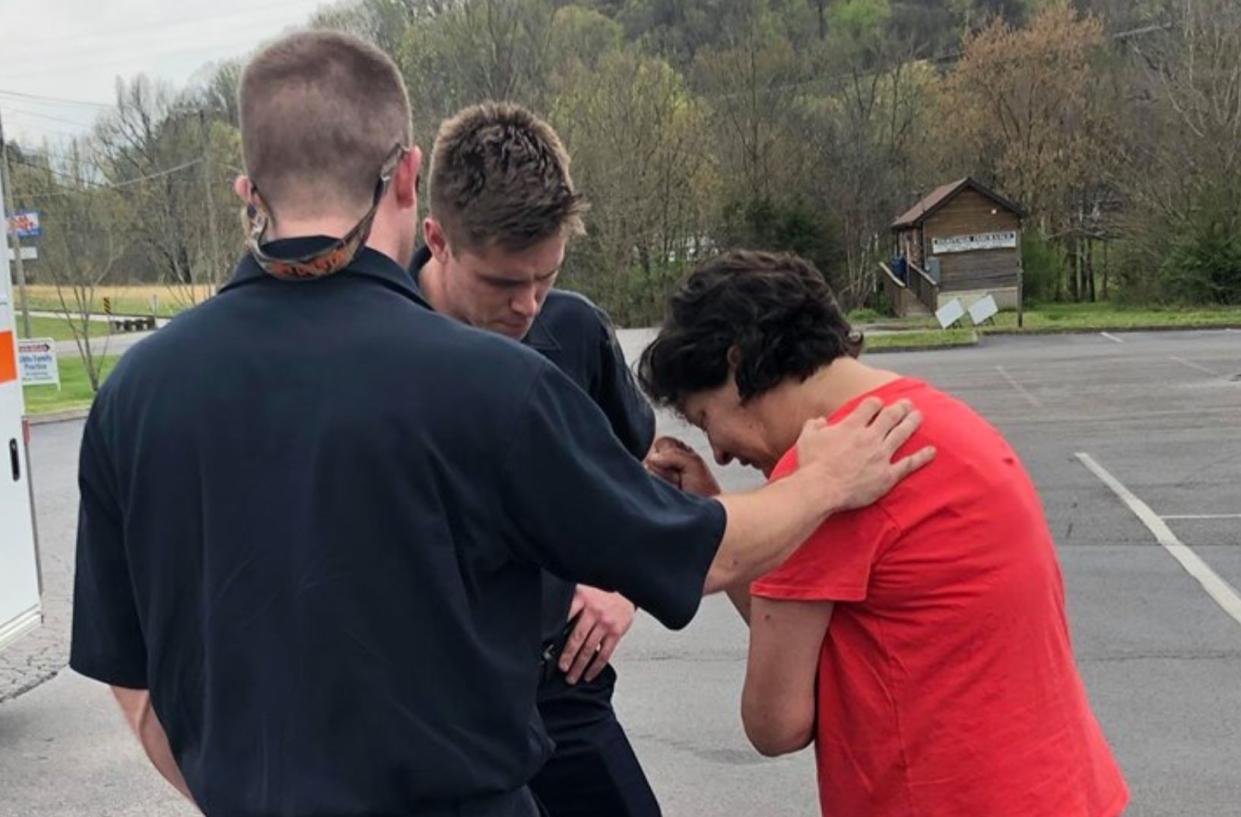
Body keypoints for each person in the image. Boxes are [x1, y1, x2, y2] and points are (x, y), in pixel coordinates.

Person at [67, 32, 933, 817]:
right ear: (408, 178)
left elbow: (132, 676)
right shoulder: (490, 386)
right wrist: (827, 480)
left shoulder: (134, 395)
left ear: (247, 192)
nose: (528, 304)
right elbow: (697, 548)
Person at [640, 250, 1129, 817]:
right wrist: (716, 507)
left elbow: (775, 724)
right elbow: (823, 628)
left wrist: (775, 506)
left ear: (738, 363)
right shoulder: (935, 420)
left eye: (705, 419)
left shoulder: (829, 481)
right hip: (1061, 787)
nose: (719, 450)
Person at [413, 101, 660, 817]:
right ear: (438, 240)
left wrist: (622, 588)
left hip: (560, 688)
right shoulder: (375, 339)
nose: (526, 305)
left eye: (543, 276)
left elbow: (634, 479)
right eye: (501, 284)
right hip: (430, 716)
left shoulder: (574, 329)